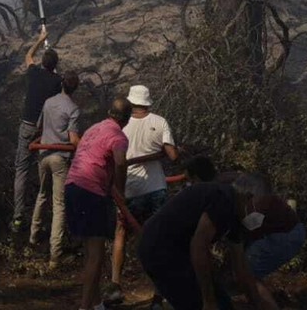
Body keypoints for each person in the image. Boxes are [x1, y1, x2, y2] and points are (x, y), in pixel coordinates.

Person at [136, 172, 279, 310]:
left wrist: (258, 302)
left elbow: (241, 267)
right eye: (261, 208)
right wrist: (208, 302)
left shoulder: (236, 214)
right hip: (159, 249)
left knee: (222, 304)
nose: (261, 215)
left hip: (175, 251)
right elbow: (198, 247)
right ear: (249, 198)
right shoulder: (223, 200)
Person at [108, 84, 179, 299]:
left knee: (120, 233)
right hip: (156, 187)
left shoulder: (120, 125)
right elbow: (173, 156)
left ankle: (115, 287)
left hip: (128, 188)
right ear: (148, 102)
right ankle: (159, 290)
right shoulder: (160, 122)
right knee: (157, 238)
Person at [65, 97, 131, 310]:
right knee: (96, 254)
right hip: (90, 191)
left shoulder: (94, 128)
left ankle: (96, 304)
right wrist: (120, 190)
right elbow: (120, 162)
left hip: (72, 185)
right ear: (127, 120)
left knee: (91, 252)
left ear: (109, 112)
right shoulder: (118, 135)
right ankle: (85, 307)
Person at [30, 70, 83, 265]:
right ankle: (56, 254)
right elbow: (73, 138)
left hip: (43, 155)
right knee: (59, 204)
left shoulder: (48, 102)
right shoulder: (73, 109)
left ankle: (33, 236)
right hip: (59, 158)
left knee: (42, 195)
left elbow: (39, 126)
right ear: (75, 88)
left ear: (62, 84)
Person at [13, 26, 62, 233]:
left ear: (43, 63)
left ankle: (17, 218)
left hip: (27, 126)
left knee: (21, 170)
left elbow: (28, 55)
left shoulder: (33, 73)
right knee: (45, 170)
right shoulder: (57, 82)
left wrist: (40, 39)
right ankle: (42, 214)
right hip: (44, 131)